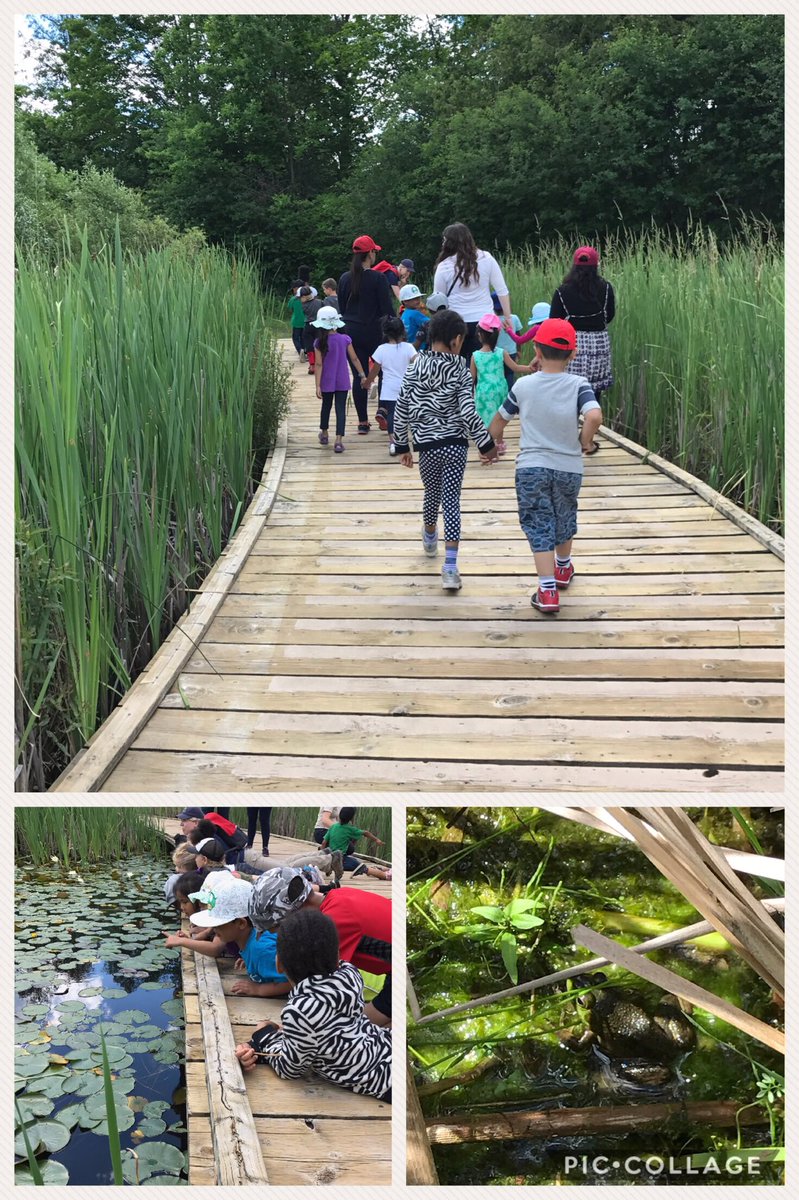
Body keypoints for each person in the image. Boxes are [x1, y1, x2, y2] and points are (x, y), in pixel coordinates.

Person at [488, 318, 603, 615]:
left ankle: (548, 590)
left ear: (536, 350)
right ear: (573, 354)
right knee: (564, 516)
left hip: (531, 468)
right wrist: (584, 442)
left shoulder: (524, 385)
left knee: (539, 523)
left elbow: (500, 421)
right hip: (568, 467)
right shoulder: (579, 385)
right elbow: (594, 416)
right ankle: (563, 568)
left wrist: (489, 447)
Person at [235, 909, 391, 1102]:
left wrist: (263, 1036)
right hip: (385, 1047)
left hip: (381, 1081)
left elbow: (290, 1068)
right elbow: (326, 1026)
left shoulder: (300, 1011)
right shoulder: (350, 973)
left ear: (279, 964)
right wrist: (284, 1032)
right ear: (336, 956)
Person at [393, 308, 498, 591]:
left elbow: (402, 406)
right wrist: (486, 444)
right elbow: (468, 411)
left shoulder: (415, 366)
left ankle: (429, 536)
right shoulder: (460, 370)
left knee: (431, 494)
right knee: (451, 501)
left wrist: (403, 444)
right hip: (455, 447)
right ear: (455, 341)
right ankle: (450, 568)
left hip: (427, 448)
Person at [250, 867, 392, 1025]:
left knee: (345, 1029)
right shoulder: (337, 896)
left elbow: (319, 988)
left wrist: (289, 1028)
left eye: (276, 929)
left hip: (408, 970)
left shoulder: (331, 925)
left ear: (290, 915)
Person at [338, 235, 395, 434]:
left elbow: (342, 309)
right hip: (375, 333)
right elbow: (387, 310)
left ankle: (362, 422)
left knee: (359, 376)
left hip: (351, 333)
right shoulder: (378, 278)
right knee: (384, 373)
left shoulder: (345, 278)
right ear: (370, 253)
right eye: (374, 251)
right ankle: (383, 410)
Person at [432, 222, 513, 359]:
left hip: (456, 322)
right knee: (484, 365)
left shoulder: (444, 266)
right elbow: (502, 290)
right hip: (485, 322)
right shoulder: (486, 258)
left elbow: (438, 299)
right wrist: (508, 317)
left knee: (458, 365)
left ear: (449, 242)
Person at [550, 246, 615, 402]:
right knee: (593, 394)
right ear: (596, 265)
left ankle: (570, 424)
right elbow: (610, 315)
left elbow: (554, 320)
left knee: (570, 391)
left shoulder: (562, 291)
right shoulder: (606, 288)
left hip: (573, 345)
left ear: (574, 265)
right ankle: (591, 423)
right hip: (599, 345)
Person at [470, 313, 532, 455]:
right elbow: (515, 367)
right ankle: (499, 443)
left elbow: (471, 378)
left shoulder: (475, 356)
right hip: (500, 389)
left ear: (480, 335)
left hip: (483, 391)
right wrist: (529, 368)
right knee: (500, 415)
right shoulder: (501, 353)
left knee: (484, 416)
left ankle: (486, 444)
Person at [312, 306, 367, 454]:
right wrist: (362, 375)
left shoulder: (319, 342)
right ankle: (338, 441)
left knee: (326, 406)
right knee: (340, 409)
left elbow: (318, 364)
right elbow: (354, 358)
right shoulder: (345, 339)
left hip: (326, 381)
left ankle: (324, 433)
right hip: (342, 380)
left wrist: (317, 385)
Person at [363, 316, 416, 449]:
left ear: (385, 333)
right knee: (410, 413)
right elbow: (418, 362)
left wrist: (367, 382)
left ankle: (393, 441)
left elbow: (375, 370)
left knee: (392, 414)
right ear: (403, 331)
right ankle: (414, 438)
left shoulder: (381, 349)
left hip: (389, 388)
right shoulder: (409, 347)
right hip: (408, 386)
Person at [322, 807, 390, 879]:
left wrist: (323, 855)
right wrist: (376, 840)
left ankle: (330, 867)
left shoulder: (333, 827)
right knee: (362, 866)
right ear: (351, 818)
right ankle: (386, 876)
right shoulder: (350, 829)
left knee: (352, 861)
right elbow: (366, 833)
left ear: (339, 816)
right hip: (341, 859)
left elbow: (324, 843)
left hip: (330, 857)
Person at [491, 290, 524, 387]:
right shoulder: (514, 318)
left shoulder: (492, 320)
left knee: (497, 376)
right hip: (511, 352)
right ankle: (509, 396)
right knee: (510, 375)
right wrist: (519, 350)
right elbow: (518, 336)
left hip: (496, 353)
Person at [299, 286, 324, 376]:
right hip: (318, 325)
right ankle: (320, 364)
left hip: (308, 325)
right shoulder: (320, 302)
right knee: (318, 345)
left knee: (309, 346)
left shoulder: (303, 305)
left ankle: (312, 366)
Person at [398, 284, 429, 349]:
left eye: (418, 298)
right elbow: (431, 323)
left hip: (409, 347)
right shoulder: (415, 314)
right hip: (420, 349)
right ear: (405, 301)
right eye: (414, 299)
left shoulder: (404, 314)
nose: (418, 301)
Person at [287, 285, 307, 360]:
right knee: (303, 337)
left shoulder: (293, 299)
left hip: (296, 321)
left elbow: (289, 308)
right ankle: (304, 350)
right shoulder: (306, 299)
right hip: (305, 321)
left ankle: (300, 350)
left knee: (295, 337)